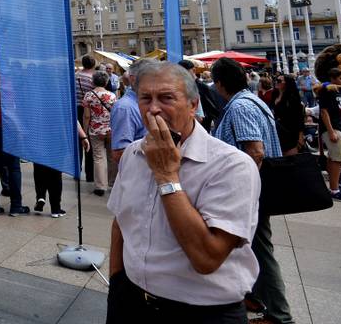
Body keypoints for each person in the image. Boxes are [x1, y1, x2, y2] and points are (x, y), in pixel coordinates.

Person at [107, 61, 261, 323]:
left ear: (192, 105)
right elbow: (121, 223)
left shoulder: (231, 165)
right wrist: (117, 281)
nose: (154, 108)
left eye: (166, 97)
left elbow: (207, 257)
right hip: (131, 300)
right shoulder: (133, 153)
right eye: (146, 98)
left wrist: (166, 176)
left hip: (201, 312)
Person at [212, 57, 293, 324]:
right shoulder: (253, 100)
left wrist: (243, 194)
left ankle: (280, 315)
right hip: (257, 189)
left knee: (260, 249)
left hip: (251, 192)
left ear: (220, 83)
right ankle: (256, 296)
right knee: (251, 246)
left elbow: (255, 151)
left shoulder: (240, 107)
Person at [0, 54, 30, 216]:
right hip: (7, 129)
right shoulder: (3, 83)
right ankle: (16, 206)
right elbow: (10, 109)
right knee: (14, 167)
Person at [317, 68, 341, 203]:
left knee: (335, 159)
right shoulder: (327, 91)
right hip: (333, 129)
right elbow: (324, 112)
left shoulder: (339, 91)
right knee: (338, 159)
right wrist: (331, 131)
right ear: (333, 79)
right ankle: (334, 190)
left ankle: (333, 186)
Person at [82, 69, 117, 195]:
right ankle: (112, 183)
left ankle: (100, 186)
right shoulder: (112, 96)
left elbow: (86, 116)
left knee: (98, 158)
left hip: (95, 129)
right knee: (112, 157)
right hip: (110, 129)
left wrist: (84, 132)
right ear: (106, 81)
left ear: (93, 81)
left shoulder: (88, 95)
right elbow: (115, 114)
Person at [111, 60, 148, 164]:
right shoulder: (125, 108)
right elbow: (120, 154)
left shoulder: (148, 103)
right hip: (140, 176)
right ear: (133, 79)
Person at [178, 60, 221, 131]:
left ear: (193, 70)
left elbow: (213, 109)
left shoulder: (203, 87)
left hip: (202, 127)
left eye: (185, 72)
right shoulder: (184, 86)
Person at [76, 55, 97, 183]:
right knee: (88, 140)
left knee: (78, 142)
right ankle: (90, 175)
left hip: (76, 109)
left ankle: (76, 171)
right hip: (88, 111)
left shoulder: (75, 75)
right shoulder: (93, 79)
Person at [272, 75, 305, 155]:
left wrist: (300, 136)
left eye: (279, 81)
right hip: (276, 131)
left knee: (291, 158)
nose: (276, 82)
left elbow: (299, 118)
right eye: (276, 80)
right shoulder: (274, 95)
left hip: (290, 131)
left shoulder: (292, 98)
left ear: (286, 83)